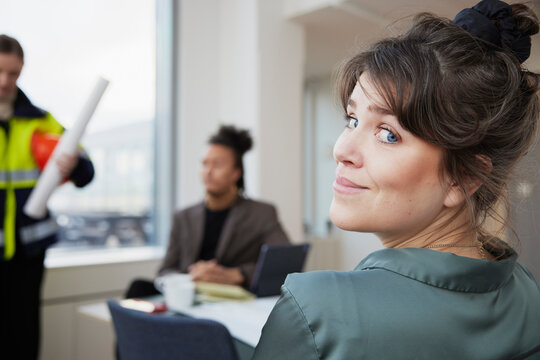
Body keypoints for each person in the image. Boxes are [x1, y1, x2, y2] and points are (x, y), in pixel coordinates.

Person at [253, 1, 540, 359]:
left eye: (388, 134)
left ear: (464, 177)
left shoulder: (317, 312)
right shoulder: (528, 292)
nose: (341, 150)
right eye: (352, 120)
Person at [0, 35, 95, 359]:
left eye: (13, 73)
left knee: (24, 334)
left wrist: (76, 163)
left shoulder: (41, 119)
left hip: (29, 250)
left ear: (22, 70)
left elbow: (86, 173)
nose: (5, 81)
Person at [126, 125, 290, 298]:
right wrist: (193, 275)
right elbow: (165, 270)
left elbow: (284, 262)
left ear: (236, 173)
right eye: (204, 164)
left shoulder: (261, 213)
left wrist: (235, 274)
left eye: (217, 165)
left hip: (232, 297)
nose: (208, 172)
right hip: (190, 295)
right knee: (137, 287)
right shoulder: (183, 217)